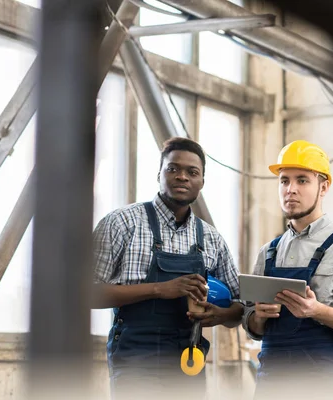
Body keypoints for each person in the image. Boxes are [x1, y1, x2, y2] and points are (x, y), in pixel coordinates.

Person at [92, 137, 243, 399]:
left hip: (188, 359)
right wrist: (161, 289)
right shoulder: (122, 223)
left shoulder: (211, 239)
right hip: (135, 358)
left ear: (202, 182)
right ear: (159, 175)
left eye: (192, 172)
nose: (182, 177)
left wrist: (221, 315)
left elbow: (241, 308)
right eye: (172, 169)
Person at [242, 140, 333, 399]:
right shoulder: (267, 252)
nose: (290, 190)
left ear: (323, 187)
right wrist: (258, 316)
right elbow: (252, 324)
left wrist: (317, 311)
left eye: (302, 180)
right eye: (284, 181)